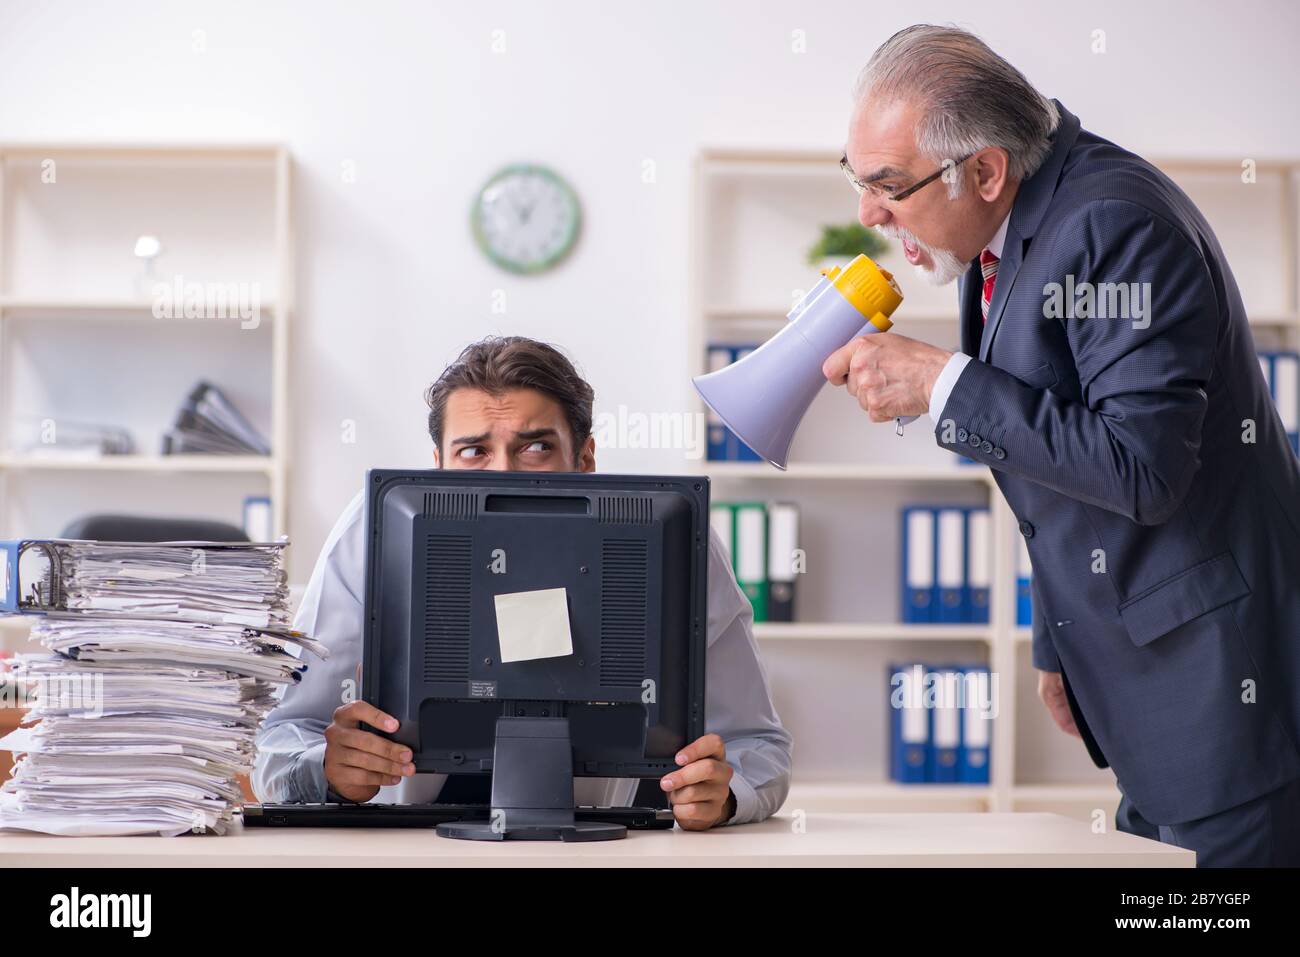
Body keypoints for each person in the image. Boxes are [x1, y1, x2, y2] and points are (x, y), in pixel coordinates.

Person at [824, 24, 1300, 866]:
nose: (867, 212)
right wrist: (1058, 639)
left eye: (888, 185)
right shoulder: (1001, 226)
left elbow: (1141, 466)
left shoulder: (1113, 228)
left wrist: (941, 384)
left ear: (986, 169)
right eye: (857, 179)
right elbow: (1056, 464)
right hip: (1152, 686)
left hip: (1226, 700)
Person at [254, 336, 792, 829]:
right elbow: (277, 740)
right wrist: (326, 769)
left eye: (535, 448)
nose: (504, 475)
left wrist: (724, 797)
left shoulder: (671, 534)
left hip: (600, 847)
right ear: (437, 465)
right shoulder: (372, 532)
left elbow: (758, 745)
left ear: (585, 459)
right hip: (410, 846)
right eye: (474, 452)